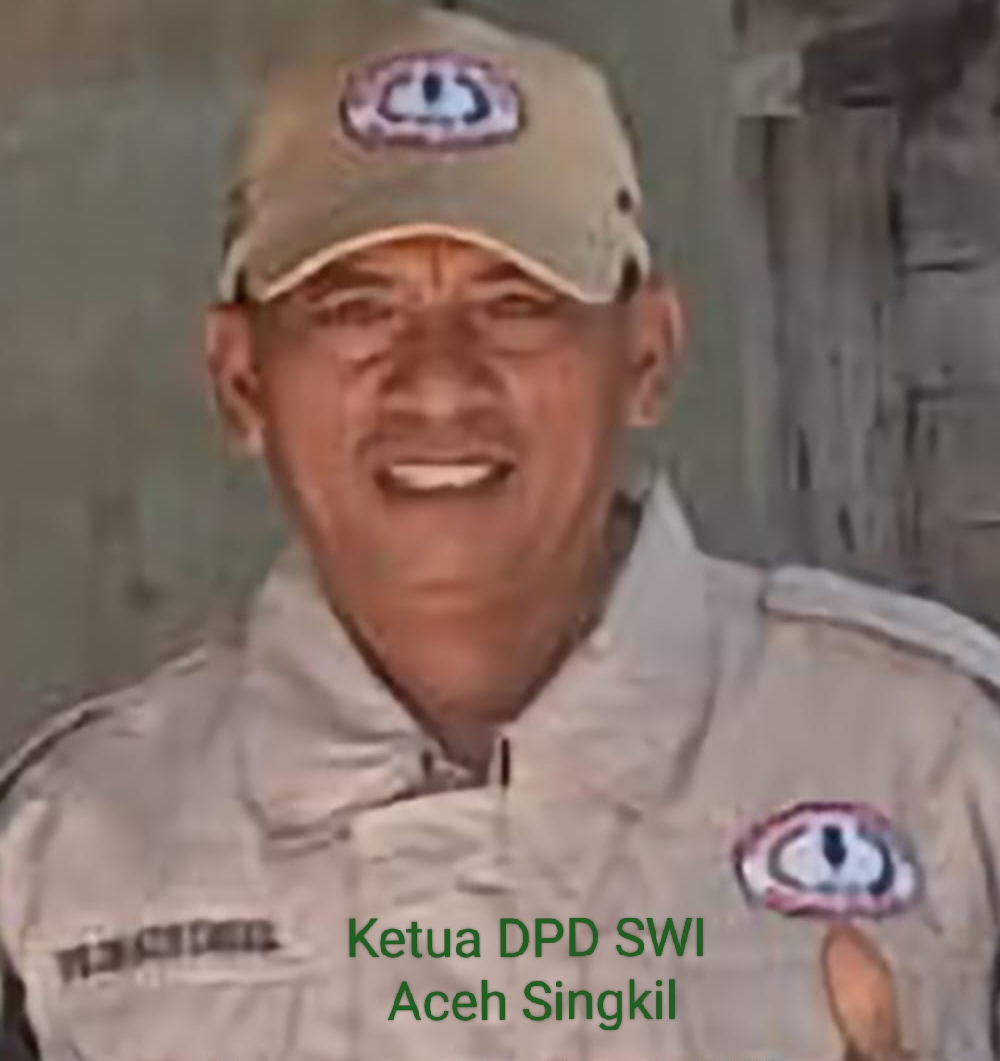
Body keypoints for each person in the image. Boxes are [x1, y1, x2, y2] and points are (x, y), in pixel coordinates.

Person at [2, 6, 1000, 1060]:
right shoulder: (63, 857)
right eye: (357, 310)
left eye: (518, 303)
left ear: (647, 354)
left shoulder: (941, 762)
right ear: (242, 378)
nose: (438, 380)